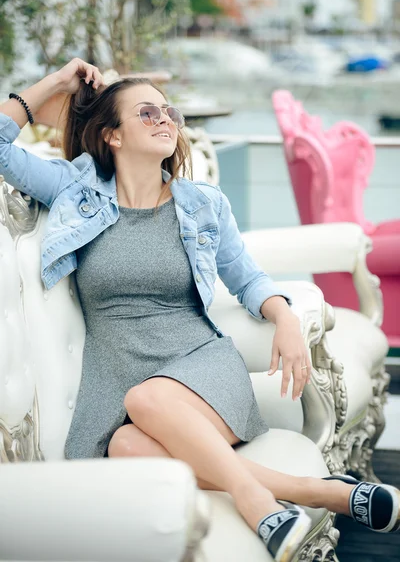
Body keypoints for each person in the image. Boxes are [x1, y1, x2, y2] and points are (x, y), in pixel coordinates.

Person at [0, 58, 398, 562]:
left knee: (147, 402)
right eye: (146, 113)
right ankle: (316, 491)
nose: (165, 119)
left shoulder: (202, 204)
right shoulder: (75, 192)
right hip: (115, 375)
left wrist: (286, 316)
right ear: (112, 136)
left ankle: (258, 505)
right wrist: (58, 81)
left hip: (200, 366)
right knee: (125, 448)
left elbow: (248, 277)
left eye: (168, 111)